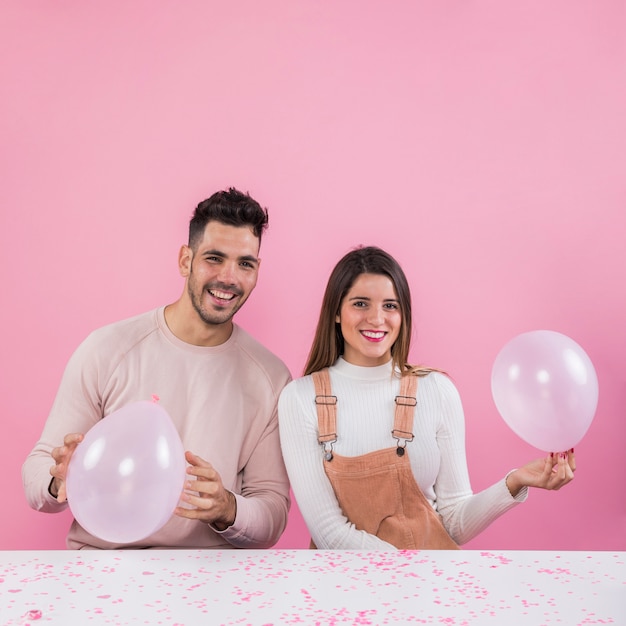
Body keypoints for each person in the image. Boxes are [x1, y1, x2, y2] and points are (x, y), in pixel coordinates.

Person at [23, 188, 291, 550]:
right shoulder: (107, 349)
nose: (230, 277)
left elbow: (272, 512)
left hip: (209, 582)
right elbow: (37, 473)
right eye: (214, 258)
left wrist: (227, 508)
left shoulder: (270, 378)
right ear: (185, 260)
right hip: (103, 569)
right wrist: (60, 480)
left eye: (245, 263)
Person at [278, 246, 576, 550]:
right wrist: (406, 576)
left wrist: (515, 482)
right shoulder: (300, 399)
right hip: (347, 590)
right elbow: (329, 532)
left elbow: (452, 523)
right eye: (360, 303)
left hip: (427, 590)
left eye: (390, 306)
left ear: (403, 314)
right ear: (337, 313)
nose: (377, 318)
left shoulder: (436, 390)